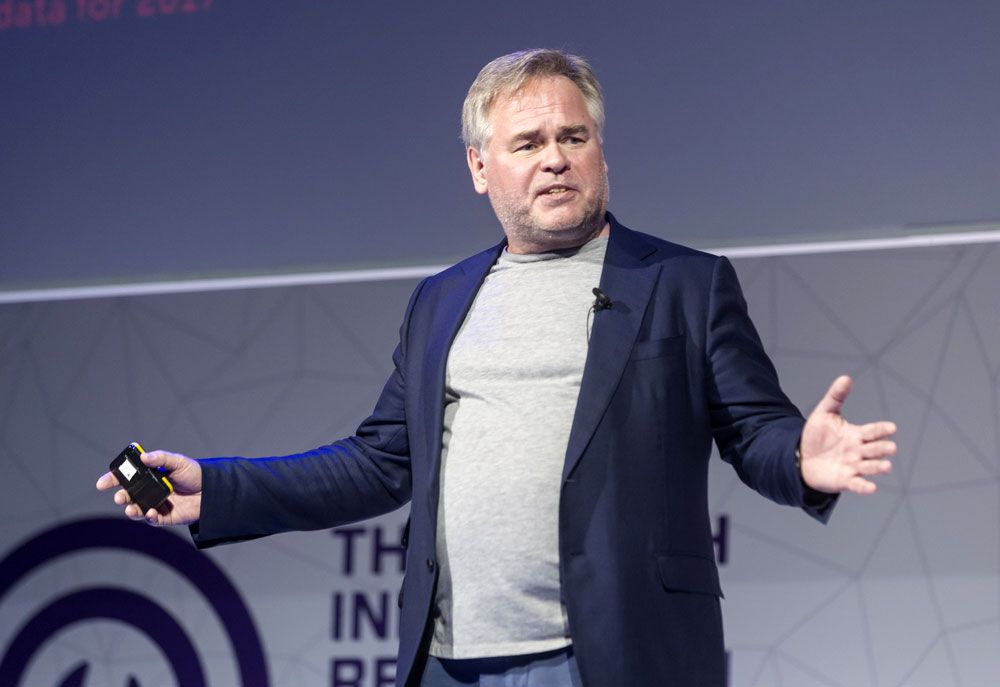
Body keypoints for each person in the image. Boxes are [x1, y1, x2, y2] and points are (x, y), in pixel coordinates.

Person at [97, 49, 897, 687]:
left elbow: (753, 428)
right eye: (529, 143)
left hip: (610, 655)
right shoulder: (440, 300)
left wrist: (803, 459)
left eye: (574, 138)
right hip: (449, 657)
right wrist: (219, 486)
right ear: (481, 168)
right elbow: (380, 461)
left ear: (602, 155)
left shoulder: (683, 283)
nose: (556, 159)